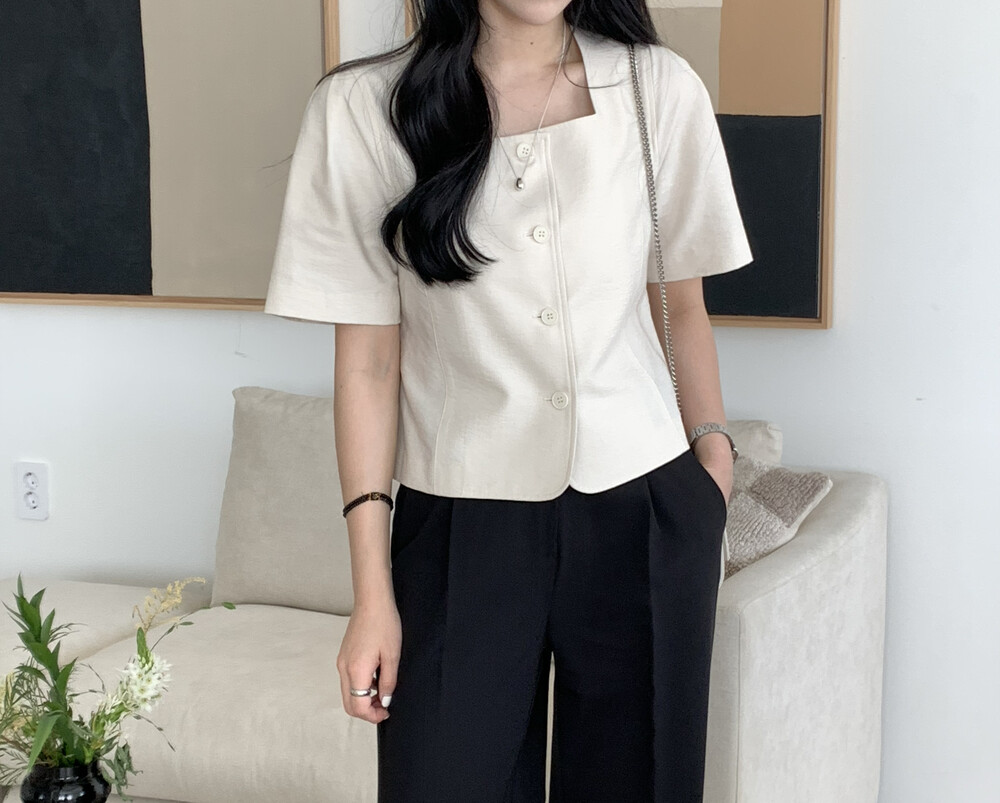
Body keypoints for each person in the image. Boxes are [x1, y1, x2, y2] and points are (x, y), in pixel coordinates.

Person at [263, 1, 753, 800]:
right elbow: (369, 365)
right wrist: (372, 594)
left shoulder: (656, 86)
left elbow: (681, 303)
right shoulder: (363, 109)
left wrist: (712, 456)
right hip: (460, 518)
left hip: (644, 506)